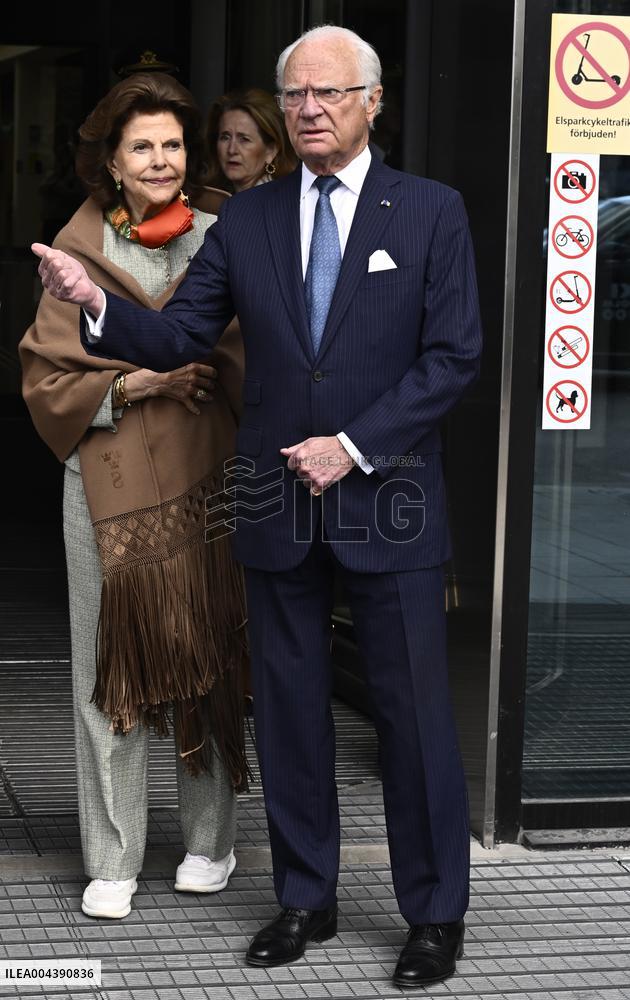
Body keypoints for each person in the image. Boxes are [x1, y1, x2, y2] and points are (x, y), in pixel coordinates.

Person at [31, 24, 483, 988]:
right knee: (286, 715)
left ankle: (435, 914)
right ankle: (304, 899)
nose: (309, 111)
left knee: (413, 719)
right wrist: (95, 306)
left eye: (329, 94)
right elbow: (181, 335)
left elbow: (453, 359)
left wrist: (353, 447)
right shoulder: (248, 219)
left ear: (371, 102)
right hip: (276, 501)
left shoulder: (432, 211)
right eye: (294, 97)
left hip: (387, 500)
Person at [20, 72, 247, 921]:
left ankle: (209, 844)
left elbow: (255, 354)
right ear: (111, 164)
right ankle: (111, 856)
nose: (161, 159)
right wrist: (135, 385)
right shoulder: (71, 254)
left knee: (209, 658)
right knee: (107, 672)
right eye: (141, 146)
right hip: (107, 480)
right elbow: (46, 376)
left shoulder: (226, 238)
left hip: (206, 476)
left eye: (173, 145)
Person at [204, 87, 296, 193]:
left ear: (271, 151)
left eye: (244, 139)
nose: (232, 150)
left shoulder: (281, 201)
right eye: (225, 137)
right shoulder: (210, 200)